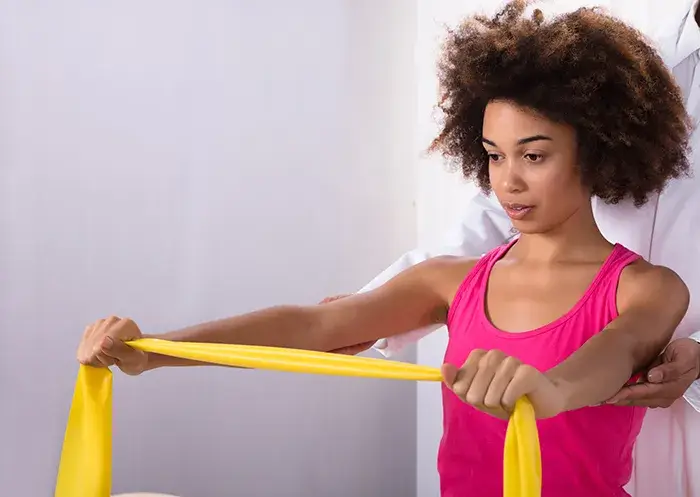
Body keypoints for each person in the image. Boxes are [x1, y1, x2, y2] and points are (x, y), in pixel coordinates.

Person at [78, 3, 693, 496]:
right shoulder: (447, 283)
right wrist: (153, 352)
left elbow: (609, 360)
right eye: (493, 154)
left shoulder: (646, 289)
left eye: (533, 156)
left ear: (596, 152)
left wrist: (550, 391)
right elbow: (315, 325)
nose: (507, 181)